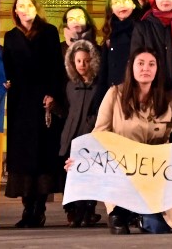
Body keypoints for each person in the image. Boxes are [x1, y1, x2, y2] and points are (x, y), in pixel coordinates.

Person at [90, 47, 172, 234]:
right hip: (121, 172)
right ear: (131, 68)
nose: (145, 68)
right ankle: (122, 212)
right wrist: (81, 159)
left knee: (159, 228)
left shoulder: (170, 101)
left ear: (158, 69)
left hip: (154, 175)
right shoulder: (114, 95)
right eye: (140, 63)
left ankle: (140, 216)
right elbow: (98, 135)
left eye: (151, 64)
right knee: (120, 225)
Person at [2, 0, 65, 228]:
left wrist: (53, 95)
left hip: (43, 101)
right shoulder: (10, 37)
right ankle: (27, 208)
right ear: (15, 11)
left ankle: (39, 207)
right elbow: (7, 68)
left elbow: (56, 67)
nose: (25, 9)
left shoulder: (49, 32)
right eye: (21, 5)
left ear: (36, 8)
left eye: (29, 5)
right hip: (20, 103)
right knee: (23, 157)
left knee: (42, 154)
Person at [58, 39, 102, 228]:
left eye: (86, 61)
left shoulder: (98, 86)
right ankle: (75, 211)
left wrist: (91, 124)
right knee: (72, 175)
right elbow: (68, 110)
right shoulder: (70, 85)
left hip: (90, 137)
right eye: (78, 61)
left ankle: (88, 210)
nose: (82, 65)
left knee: (90, 175)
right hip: (71, 136)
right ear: (72, 63)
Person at [98, 0, 141, 91]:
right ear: (111, 9)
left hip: (136, 91)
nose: (122, 5)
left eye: (126, 0)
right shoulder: (110, 33)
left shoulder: (142, 29)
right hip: (114, 91)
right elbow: (104, 71)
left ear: (134, 4)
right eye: (116, 2)